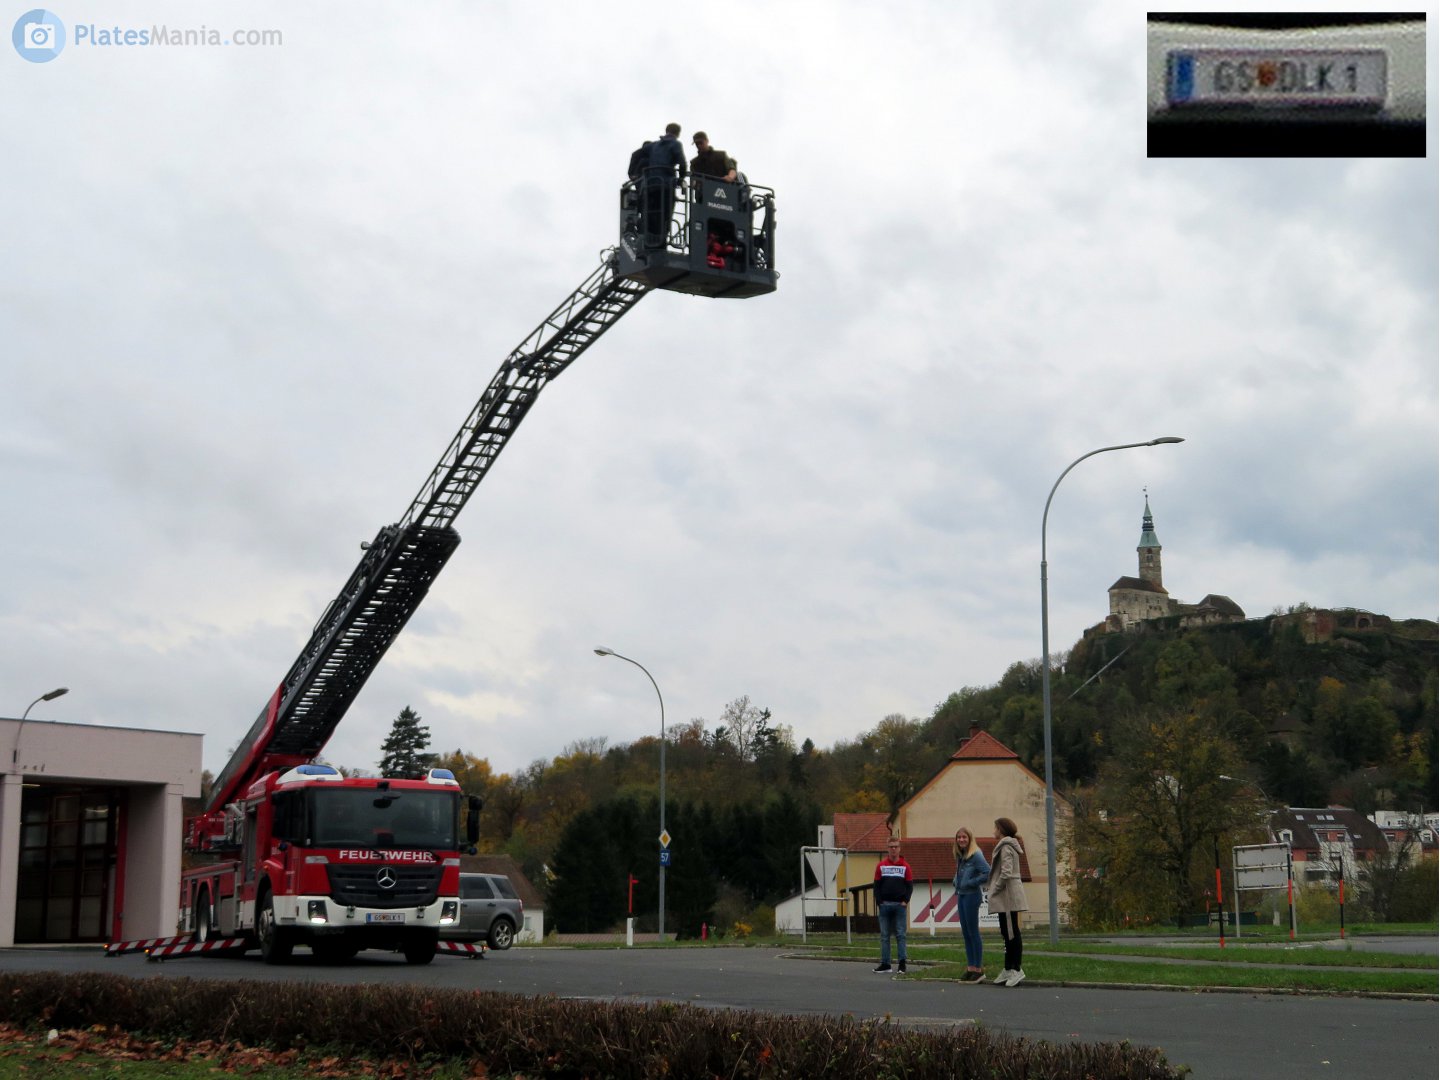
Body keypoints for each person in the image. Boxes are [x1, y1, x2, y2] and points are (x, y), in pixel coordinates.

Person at [985, 817, 1029, 987]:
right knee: (1006, 931)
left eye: (995, 827)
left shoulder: (1005, 847)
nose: (993, 830)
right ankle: (1008, 967)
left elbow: (1006, 872)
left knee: (1011, 932)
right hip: (1006, 894)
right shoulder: (1006, 845)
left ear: (1001, 829)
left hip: (1007, 895)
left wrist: (994, 889)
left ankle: (1016, 969)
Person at [952, 826, 990, 982]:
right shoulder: (961, 856)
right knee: (966, 933)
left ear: (970, 839)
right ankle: (971, 967)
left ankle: (978, 969)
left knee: (973, 932)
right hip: (961, 895)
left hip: (972, 896)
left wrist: (971, 882)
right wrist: (957, 880)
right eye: (959, 837)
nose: (961, 840)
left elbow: (987, 872)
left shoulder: (976, 855)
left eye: (964, 837)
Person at [641, 122, 687, 246]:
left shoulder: (653, 145)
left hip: (651, 186)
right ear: (678, 134)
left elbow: (637, 154)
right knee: (665, 216)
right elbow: (682, 164)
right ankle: (661, 244)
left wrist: (635, 173)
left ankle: (649, 243)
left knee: (651, 215)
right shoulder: (675, 144)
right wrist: (681, 179)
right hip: (666, 185)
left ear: (666, 130)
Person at [872, 836, 913, 974]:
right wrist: (879, 902)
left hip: (899, 906)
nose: (893, 849)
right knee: (884, 936)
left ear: (899, 848)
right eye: (891, 847)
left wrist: (905, 901)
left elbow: (909, 886)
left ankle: (902, 964)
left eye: (896, 846)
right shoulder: (881, 866)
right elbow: (876, 886)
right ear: (887, 848)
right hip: (885, 906)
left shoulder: (905, 866)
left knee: (901, 935)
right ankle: (886, 964)